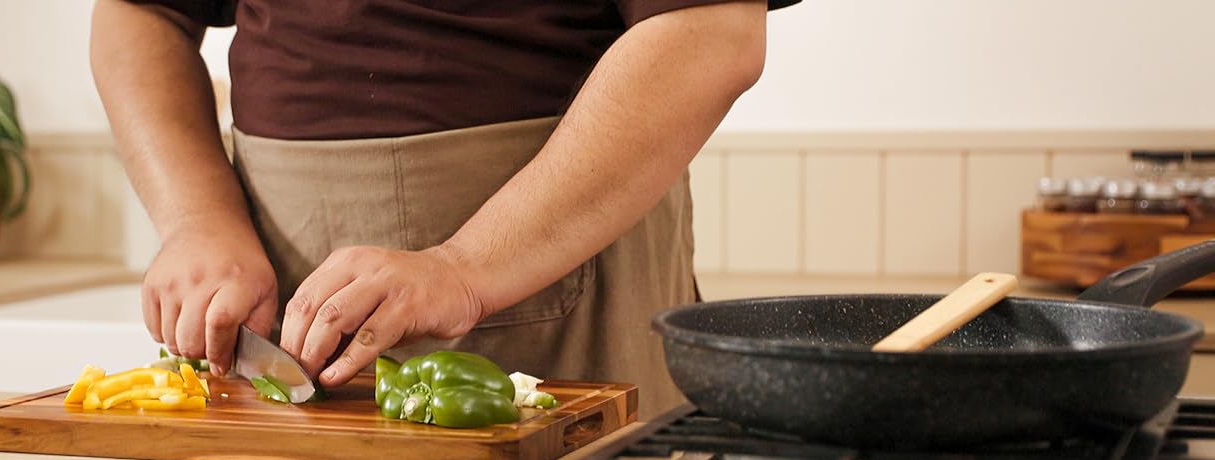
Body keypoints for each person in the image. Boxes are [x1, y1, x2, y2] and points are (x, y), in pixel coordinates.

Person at [91, 0, 799, 419]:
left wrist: (467, 268)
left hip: (549, 268)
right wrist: (196, 218)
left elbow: (712, 29)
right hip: (273, 258)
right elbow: (138, 11)